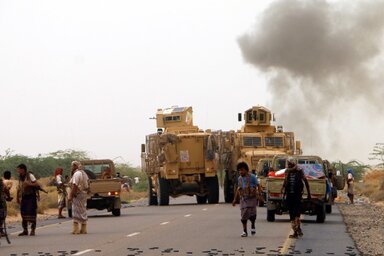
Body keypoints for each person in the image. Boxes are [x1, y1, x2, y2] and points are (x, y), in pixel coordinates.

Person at [281, 157, 311, 239]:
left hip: (297, 195)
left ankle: (298, 228)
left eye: (290, 163)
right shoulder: (287, 171)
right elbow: (285, 181)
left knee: (297, 212)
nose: (289, 165)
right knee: (291, 213)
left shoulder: (299, 171)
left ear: (293, 163)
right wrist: (282, 189)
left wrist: (309, 193)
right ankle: (296, 231)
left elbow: (305, 181)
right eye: (288, 163)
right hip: (289, 196)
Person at [232, 162, 262, 237]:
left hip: (252, 199)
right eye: (239, 170)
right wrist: (235, 199)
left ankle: (253, 225)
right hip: (243, 199)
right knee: (243, 215)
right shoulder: (239, 179)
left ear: (246, 170)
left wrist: (260, 195)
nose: (240, 172)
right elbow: (238, 189)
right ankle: (244, 231)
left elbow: (258, 185)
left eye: (242, 170)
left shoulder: (252, 177)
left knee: (252, 215)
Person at [16, 164, 41, 236]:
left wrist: (28, 184)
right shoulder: (20, 177)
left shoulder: (30, 175)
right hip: (24, 197)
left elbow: (36, 184)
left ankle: (33, 230)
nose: (18, 171)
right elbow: (19, 188)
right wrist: (17, 197)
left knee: (32, 212)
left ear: (23, 169)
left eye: (18, 169)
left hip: (31, 196)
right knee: (23, 212)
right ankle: (25, 230)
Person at [68, 161, 89, 234]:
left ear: (75, 166)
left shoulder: (77, 174)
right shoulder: (83, 173)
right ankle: (83, 229)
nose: (71, 168)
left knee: (75, 210)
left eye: (72, 166)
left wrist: (70, 195)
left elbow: (75, 185)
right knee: (83, 209)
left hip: (78, 194)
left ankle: (75, 230)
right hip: (84, 194)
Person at [0, 171, 13, 237]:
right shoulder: (2, 181)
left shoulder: (2, 180)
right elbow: (6, 189)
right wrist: (9, 197)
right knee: (2, 214)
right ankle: (1, 231)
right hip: (1, 201)